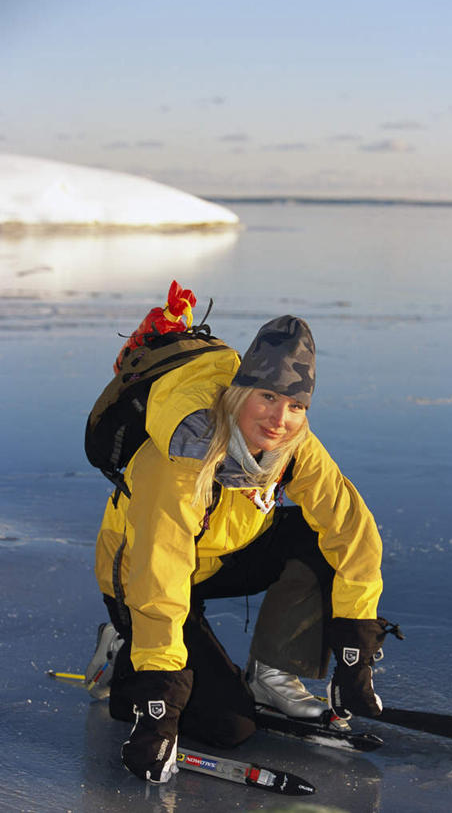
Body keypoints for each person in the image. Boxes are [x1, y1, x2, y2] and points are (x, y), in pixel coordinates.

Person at [89, 315, 396, 784]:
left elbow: (350, 526)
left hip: (221, 555)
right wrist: (159, 707)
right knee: (229, 726)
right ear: (238, 394)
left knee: (318, 539)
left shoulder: (292, 441)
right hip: (142, 579)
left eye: (295, 404)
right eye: (268, 397)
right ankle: (131, 664)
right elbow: (159, 575)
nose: (280, 419)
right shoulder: (180, 458)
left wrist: (356, 645)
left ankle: (274, 673)